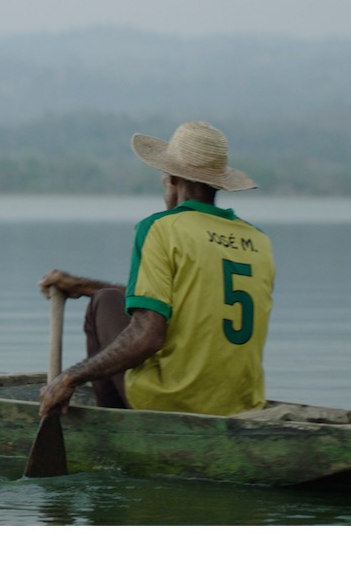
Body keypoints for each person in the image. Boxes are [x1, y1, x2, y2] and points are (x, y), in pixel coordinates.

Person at [37, 121, 275, 418]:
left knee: (104, 303)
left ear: (172, 178)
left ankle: (115, 435)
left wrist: (69, 378)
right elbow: (186, 303)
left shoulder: (160, 228)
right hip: (241, 405)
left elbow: (148, 335)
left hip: (174, 401)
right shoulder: (258, 240)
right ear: (217, 182)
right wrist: (82, 285)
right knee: (106, 295)